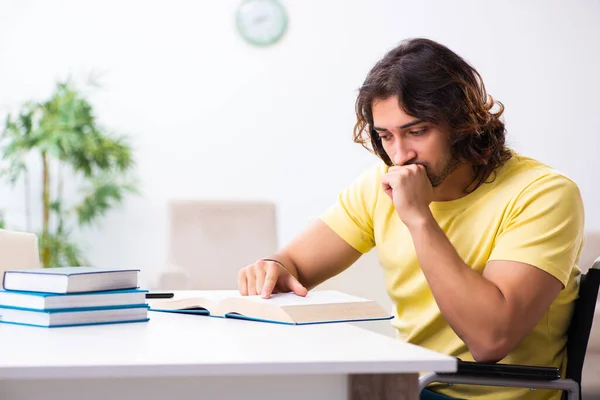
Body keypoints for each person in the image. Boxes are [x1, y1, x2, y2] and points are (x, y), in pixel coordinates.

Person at [237, 38, 585, 400]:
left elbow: (490, 340)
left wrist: (419, 218)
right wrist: (273, 267)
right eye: (386, 136)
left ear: (464, 123)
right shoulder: (380, 184)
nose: (400, 155)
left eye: (417, 131)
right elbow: (294, 265)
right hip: (411, 388)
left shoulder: (543, 194)